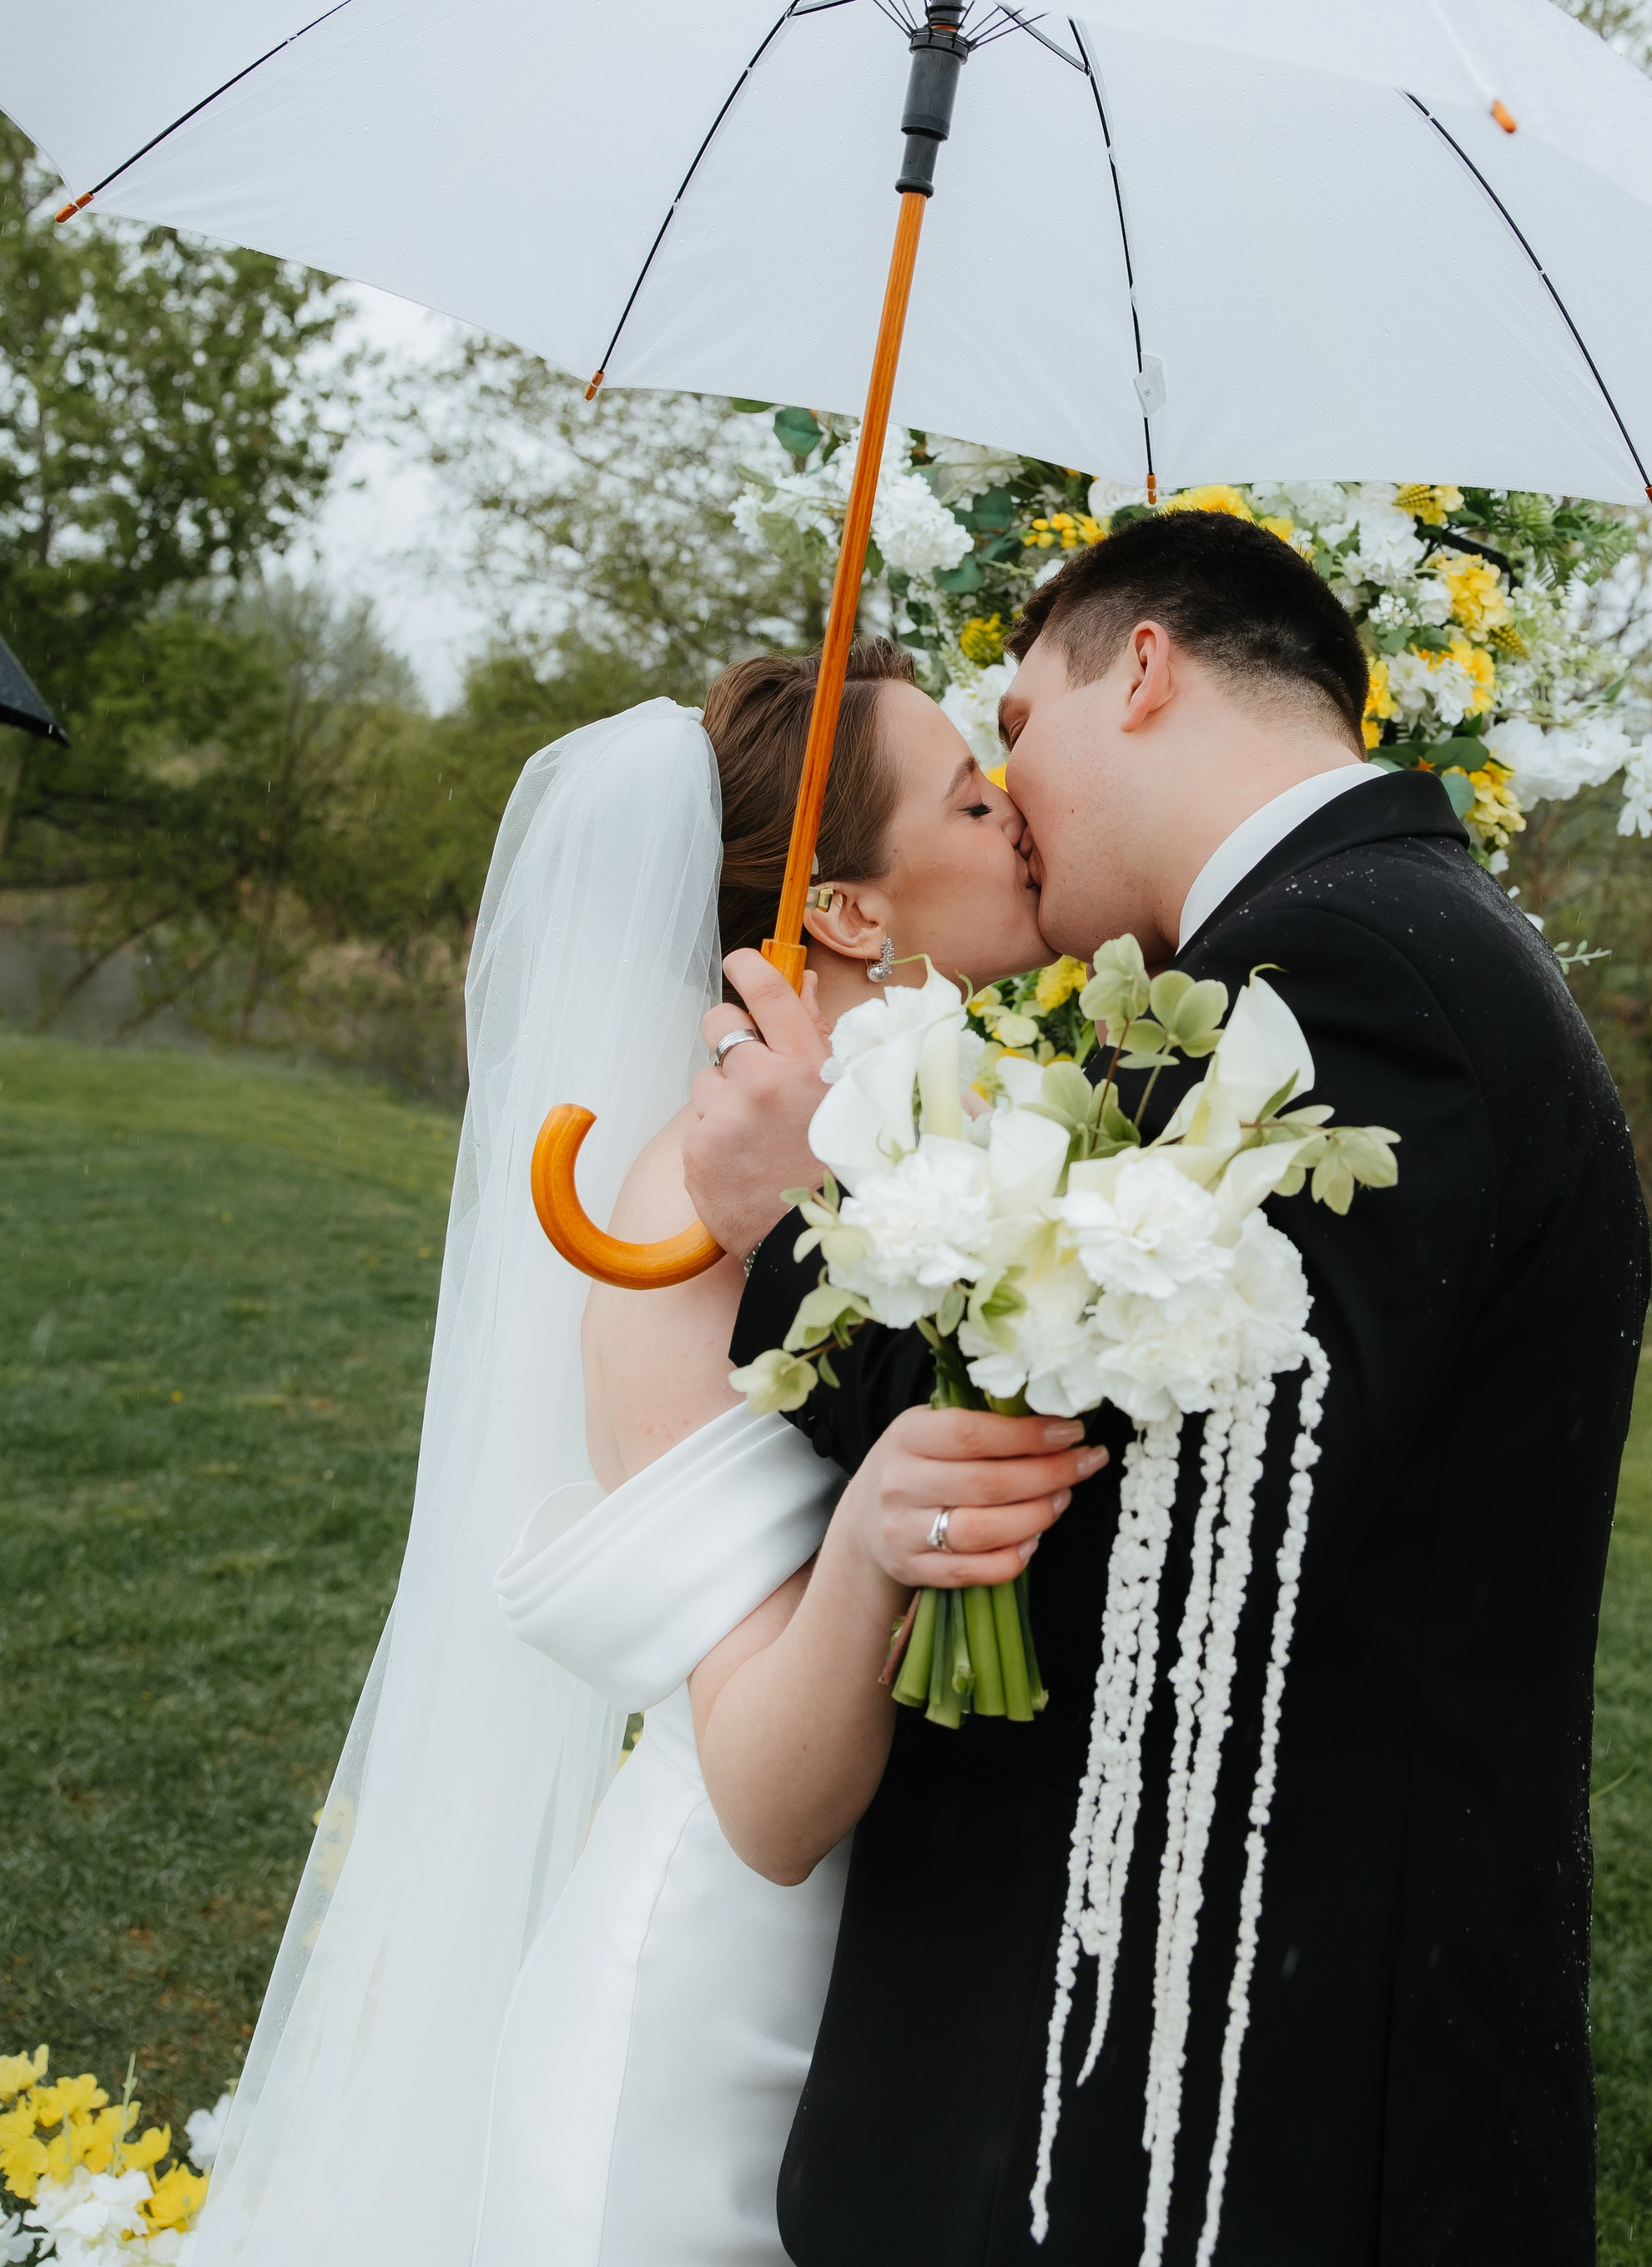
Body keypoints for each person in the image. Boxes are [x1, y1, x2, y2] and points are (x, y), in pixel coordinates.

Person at [686, 510, 1651, 2267]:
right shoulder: (1367, 945)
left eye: (1018, 723)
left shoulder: (1346, 986)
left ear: (1138, 670)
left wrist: (791, 1232)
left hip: (1218, 2098)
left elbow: (1130, 1519)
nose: (1009, 788)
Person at [194, 644, 1074, 2267]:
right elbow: (762, 1794)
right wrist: (880, 1541)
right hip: (712, 2043)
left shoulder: (919, 1145)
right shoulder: (671, 1230)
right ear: (852, 915)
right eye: (968, 792)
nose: (1016, 808)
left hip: (895, 2019)